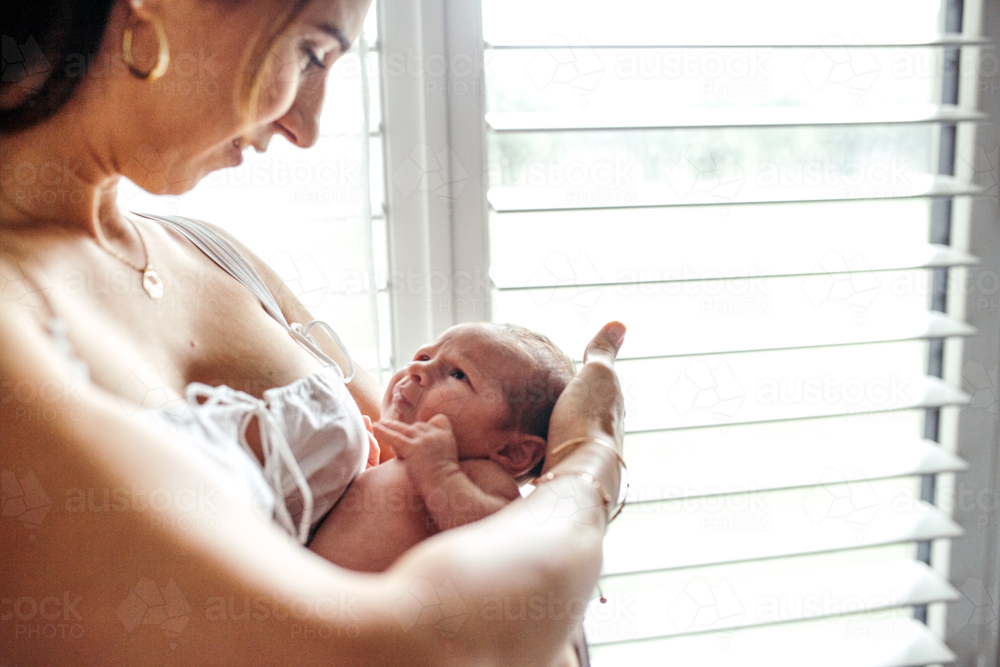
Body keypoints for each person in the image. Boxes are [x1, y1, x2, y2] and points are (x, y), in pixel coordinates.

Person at [0, 1, 627, 665]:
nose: (306, 126)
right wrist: (587, 463)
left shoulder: (214, 254)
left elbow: (410, 495)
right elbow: (415, 646)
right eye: (310, 53)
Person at [311, 322, 575, 573]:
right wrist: (361, 477)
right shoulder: (413, 460)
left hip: (356, 613)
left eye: (459, 374)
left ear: (514, 452)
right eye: (425, 357)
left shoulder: (481, 476)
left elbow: (498, 545)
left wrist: (440, 471)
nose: (416, 369)